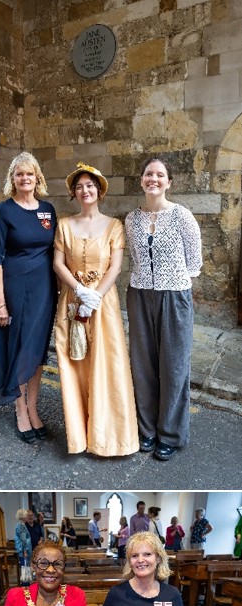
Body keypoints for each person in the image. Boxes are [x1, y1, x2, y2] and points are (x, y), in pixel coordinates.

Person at [53, 163, 138, 456]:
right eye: (79, 186)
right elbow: (58, 263)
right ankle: (80, 437)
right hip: (71, 303)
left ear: (99, 191)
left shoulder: (114, 225)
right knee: (75, 366)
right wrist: (78, 291)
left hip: (103, 305)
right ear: (74, 193)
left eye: (90, 185)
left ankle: (109, 438)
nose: (84, 190)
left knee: (107, 365)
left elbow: (115, 266)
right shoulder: (64, 225)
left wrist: (95, 297)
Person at [0, 152, 58, 443]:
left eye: (30, 174)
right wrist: (0, 303)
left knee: (36, 354)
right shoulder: (4, 211)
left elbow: (56, 251)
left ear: (37, 178)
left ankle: (33, 408)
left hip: (45, 291)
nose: (25, 179)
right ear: (13, 179)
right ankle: (20, 410)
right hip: (15, 289)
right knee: (20, 349)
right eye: (19, 174)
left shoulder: (47, 210)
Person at [124, 157, 203, 462]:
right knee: (143, 366)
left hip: (174, 296)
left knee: (173, 367)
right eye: (148, 174)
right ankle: (147, 430)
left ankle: (169, 434)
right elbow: (134, 256)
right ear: (142, 180)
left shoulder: (182, 216)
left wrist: (175, 284)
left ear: (169, 182)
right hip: (140, 294)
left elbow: (194, 262)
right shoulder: (132, 220)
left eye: (160, 175)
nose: (153, 179)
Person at [100, 532, 187, 606]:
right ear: (130, 562)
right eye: (134, 556)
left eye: (147, 554)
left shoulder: (172, 594)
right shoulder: (116, 594)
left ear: (158, 558)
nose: (140, 560)